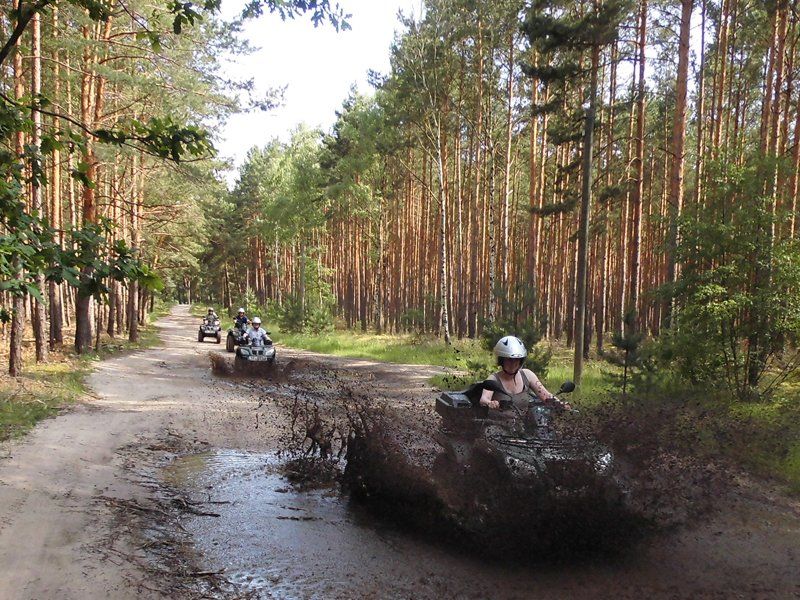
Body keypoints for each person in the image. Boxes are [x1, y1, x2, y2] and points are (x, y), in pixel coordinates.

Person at [479, 335, 569, 412]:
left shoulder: (527, 375)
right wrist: (490, 403)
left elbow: (546, 396)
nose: (513, 363)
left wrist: (560, 404)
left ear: (521, 360)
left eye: (517, 360)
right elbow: (483, 399)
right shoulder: (493, 379)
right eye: (509, 360)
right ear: (502, 360)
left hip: (522, 427)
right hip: (497, 426)